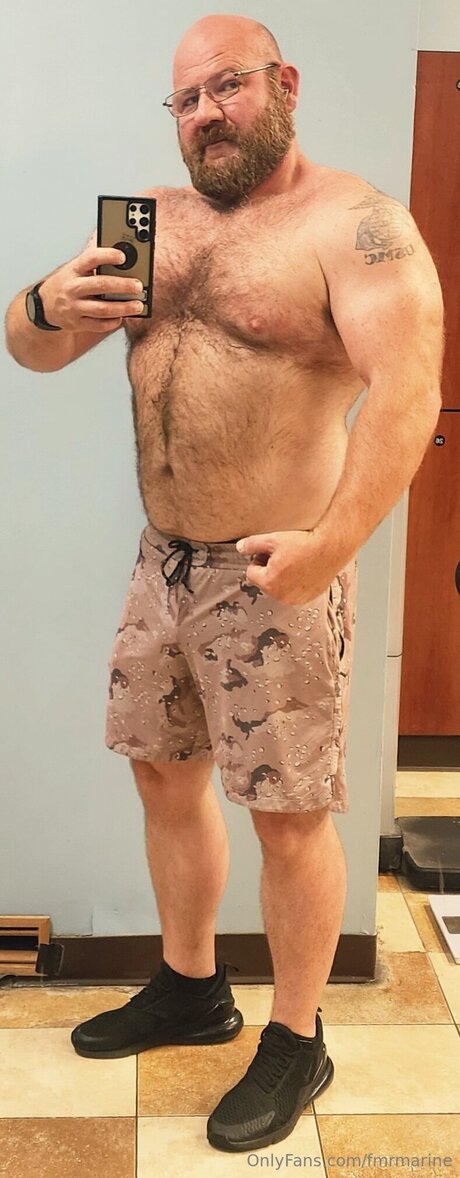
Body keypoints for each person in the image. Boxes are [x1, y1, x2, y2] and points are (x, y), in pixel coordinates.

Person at [5, 11, 444, 1155]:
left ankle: (297, 1036)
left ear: (283, 84)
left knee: (288, 818)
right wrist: (44, 303)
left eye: (226, 88)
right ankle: (191, 984)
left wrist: (331, 547)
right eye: (186, 99)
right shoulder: (151, 222)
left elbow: (407, 393)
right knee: (163, 775)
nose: (204, 113)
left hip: (274, 573)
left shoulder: (355, 227)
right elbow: (31, 346)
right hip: (163, 564)